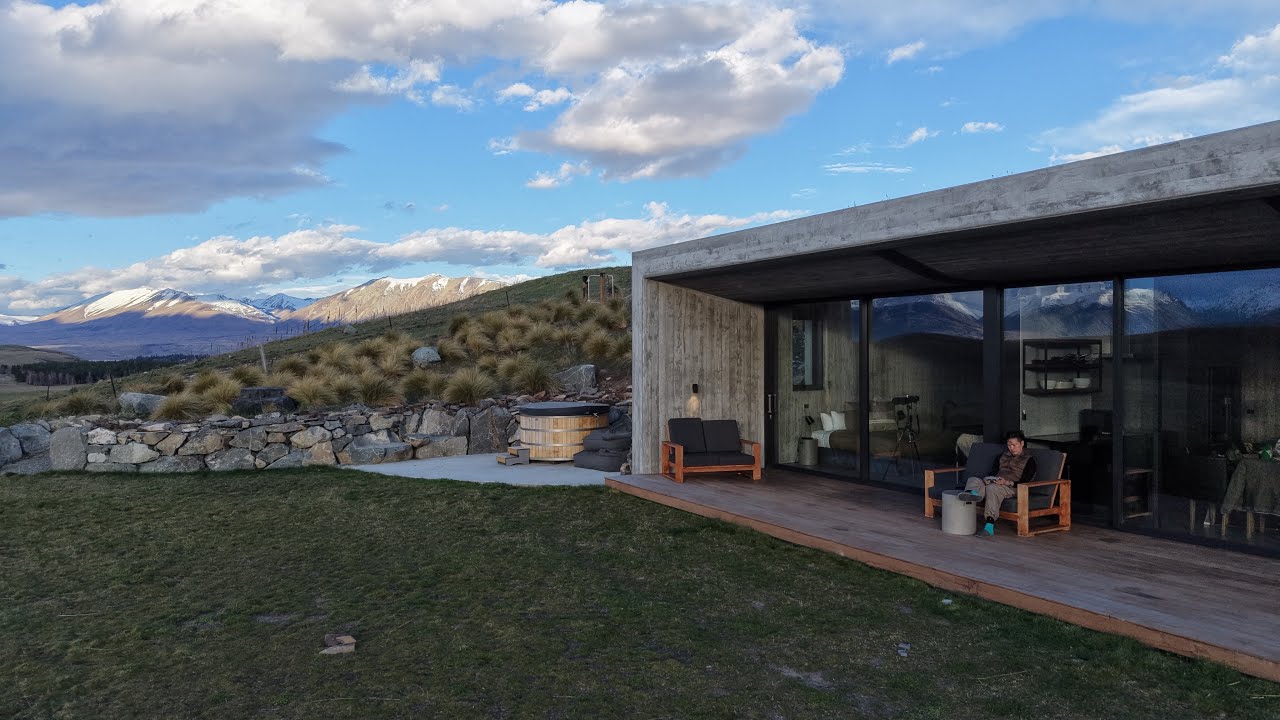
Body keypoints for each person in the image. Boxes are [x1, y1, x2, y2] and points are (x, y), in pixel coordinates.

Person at [964, 430, 1037, 536]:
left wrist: (1007, 482)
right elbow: (993, 472)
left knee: (992, 488)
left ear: (1022, 443)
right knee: (973, 480)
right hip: (996, 482)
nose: (1011, 448)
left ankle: (989, 526)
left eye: (1014, 445)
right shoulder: (1002, 456)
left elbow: (1026, 481)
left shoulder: (1029, 460)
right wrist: (988, 479)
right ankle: (972, 495)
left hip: (1014, 487)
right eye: (1009, 445)